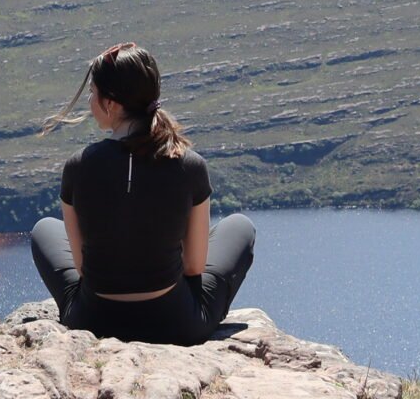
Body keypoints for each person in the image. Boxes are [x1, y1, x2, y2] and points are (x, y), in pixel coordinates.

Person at [31, 42, 256, 344]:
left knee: (44, 229)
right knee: (239, 226)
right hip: (176, 325)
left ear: (110, 104)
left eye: (92, 93)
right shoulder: (190, 165)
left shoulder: (78, 166)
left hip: (93, 320)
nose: (89, 101)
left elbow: (84, 268)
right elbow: (193, 266)